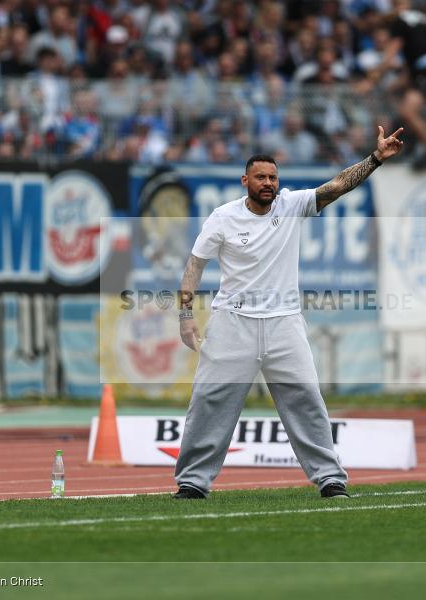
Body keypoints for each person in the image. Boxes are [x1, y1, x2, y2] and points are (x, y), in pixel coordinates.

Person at [173, 126, 405, 499]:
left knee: (306, 400)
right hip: (233, 322)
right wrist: (185, 317)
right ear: (245, 180)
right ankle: (193, 482)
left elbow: (338, 185)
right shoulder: (223, 217)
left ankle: (330, 478)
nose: (268, 183)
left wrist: (375, 158)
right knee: (209, 400)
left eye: (273, 177)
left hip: (284, 322)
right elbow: (194, 266)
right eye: (261, 177)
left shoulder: (291, 204)